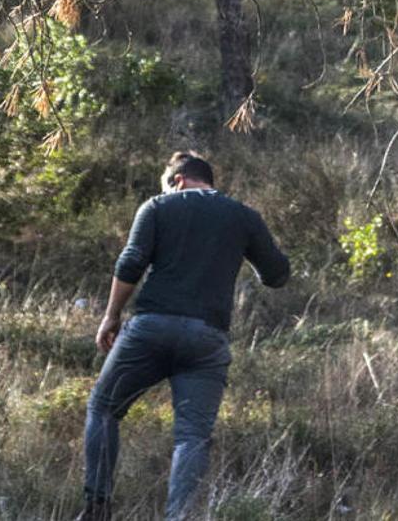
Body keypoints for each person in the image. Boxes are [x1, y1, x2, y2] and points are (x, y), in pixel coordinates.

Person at [75, 151, 290, 521]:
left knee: (104, 408)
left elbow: (131, 262)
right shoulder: (244, 216)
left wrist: (111, 317)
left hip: (150, 329)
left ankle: (97, 509)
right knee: (191, 437)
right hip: (206, 341)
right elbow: (276, 275)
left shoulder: (158, 207)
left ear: (178, 180)